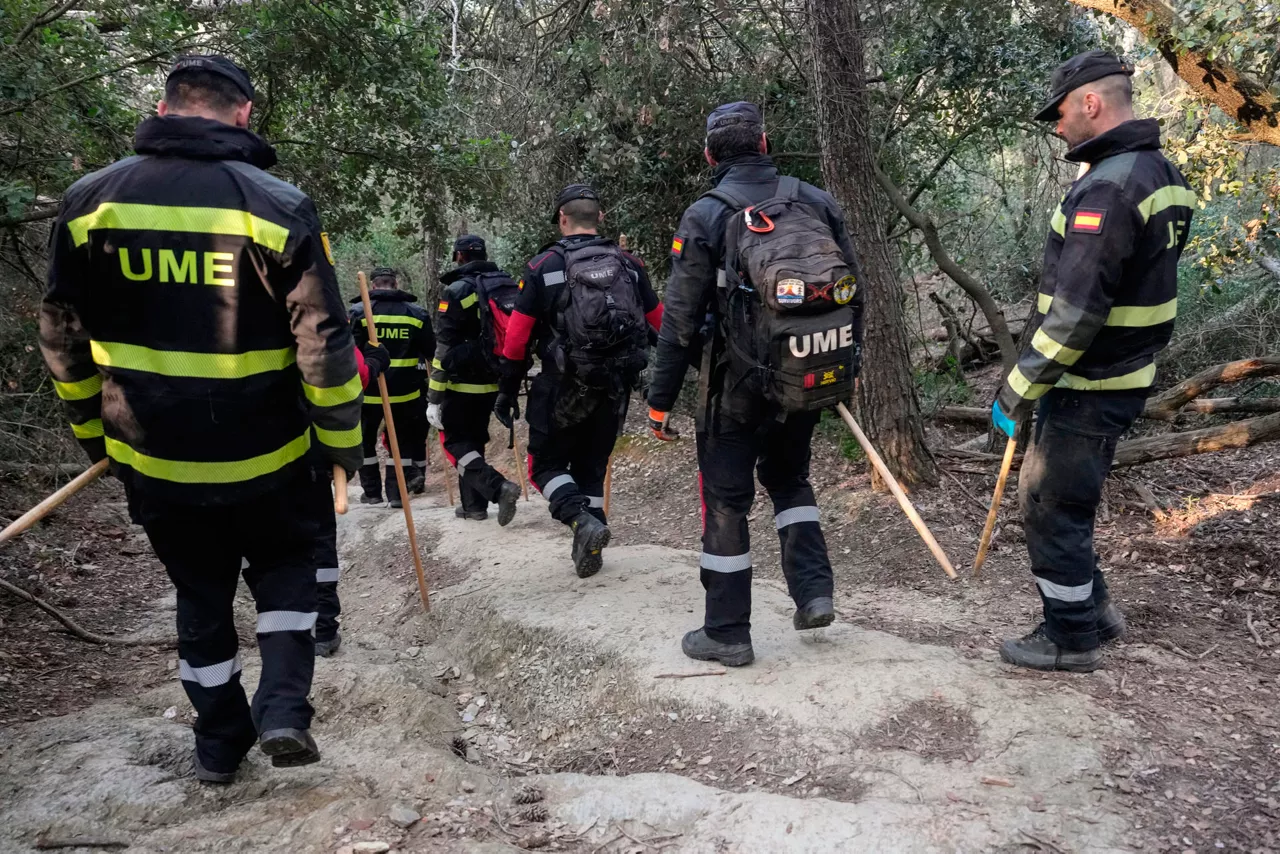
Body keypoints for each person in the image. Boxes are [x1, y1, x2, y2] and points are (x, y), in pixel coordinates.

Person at [39, 55, 364, 782]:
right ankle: (283, 709)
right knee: (287, 572)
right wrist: (341, 445)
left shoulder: (89, 204)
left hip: (155, 458)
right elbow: (322, 340)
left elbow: (61, 335)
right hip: (270, 455)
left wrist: (95, 434)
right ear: (244, 113)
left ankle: (219, 743)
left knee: (200, 596)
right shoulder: (277, 205)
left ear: (164, 107)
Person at [991, 50, 1195, 672]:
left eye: (1059, 113)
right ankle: (1096, 611)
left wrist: (1018, 388)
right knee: (1067, 501)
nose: (1057, 126)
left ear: (1090, 102)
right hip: (1122, 373)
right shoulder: (1159, 171)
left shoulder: (1108, 187)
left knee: (1049, 503)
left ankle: (1071, 636)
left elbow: (1075, 314)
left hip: (1091, 379)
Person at [646, 102, 865, 668]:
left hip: (734, 386)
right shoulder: (815, 200)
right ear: (764, 144)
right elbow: (854, 293)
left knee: (726, 501)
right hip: (805, 373)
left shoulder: (706, 215)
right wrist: (843, 368)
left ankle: (726, 632)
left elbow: (679, 319)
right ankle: (814, 594)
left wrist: (659, 400)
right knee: (790, 480)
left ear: (709, 156)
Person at [497, 185, 664, 578]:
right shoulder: (629, 264)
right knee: (591, 467)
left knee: (543, 465)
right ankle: (590, 545)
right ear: (600, 217)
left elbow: (517, 339)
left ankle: (581, 521)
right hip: (615, 385)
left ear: (562, 219)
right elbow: (661, 325)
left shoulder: (544, 267)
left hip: (563, 386)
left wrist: (507, 390)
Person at [428, 235, 522, 524]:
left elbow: (444, 347)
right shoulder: (505, 285)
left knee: (455, 443)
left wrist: (434, 398)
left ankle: (498, 487)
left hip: (461, 384)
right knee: (473, 442)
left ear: (459, 256)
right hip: (495, 380)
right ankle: (473, 507)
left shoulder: (457, 290)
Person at [350, 267, 435, 509]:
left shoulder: (358, 313)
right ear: (396, 284)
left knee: (365, 441)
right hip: (405, 393)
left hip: (368, 392)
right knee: (402, 444)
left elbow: (349, 354)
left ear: (373, 286)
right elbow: (432, 352)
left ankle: (372, 493)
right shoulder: (417, 314)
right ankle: (397, 494)